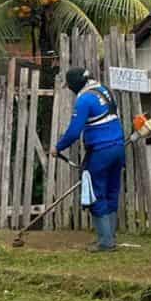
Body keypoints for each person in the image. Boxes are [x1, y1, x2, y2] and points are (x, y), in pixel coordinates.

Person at [55, 67, 125, 252]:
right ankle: (110, 237)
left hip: (101, 152)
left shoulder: (84, 99)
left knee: (96, 194)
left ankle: (105, 242)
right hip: (118, 148)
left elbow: (74, 132)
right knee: (112, 191)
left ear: (74, 85)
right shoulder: (104, 90)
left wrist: (58, 147)